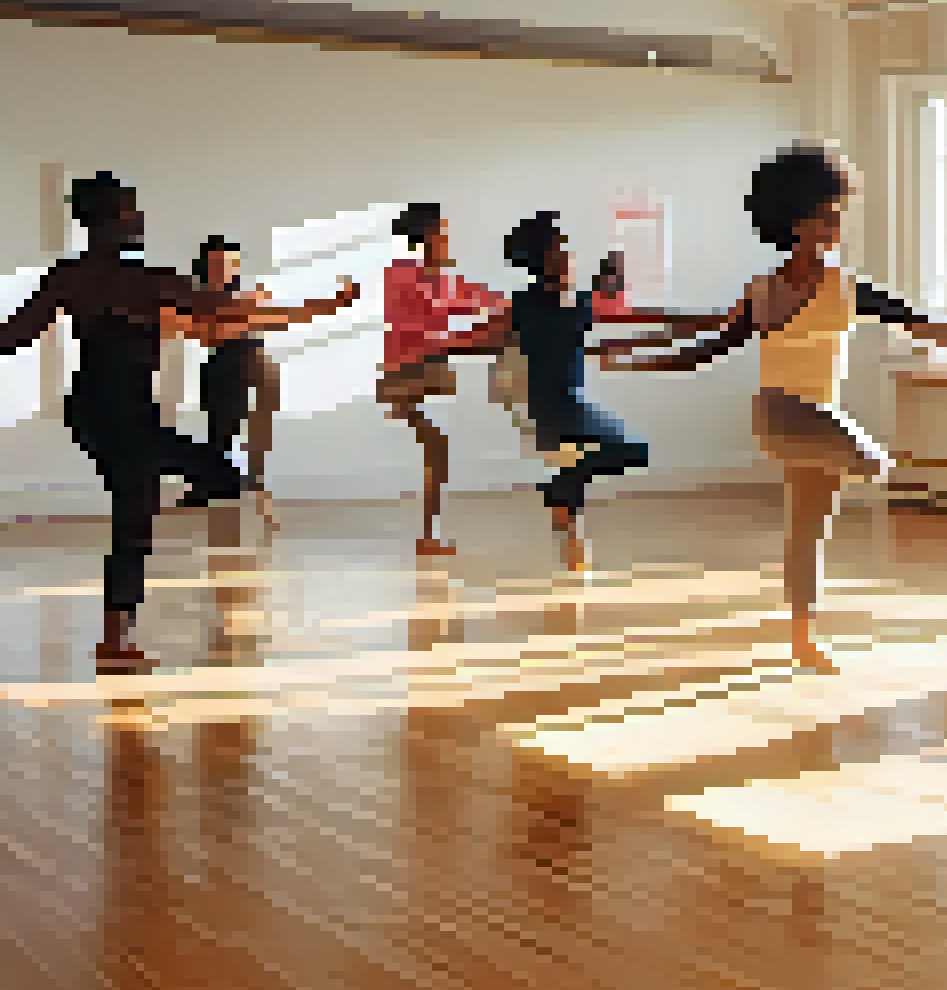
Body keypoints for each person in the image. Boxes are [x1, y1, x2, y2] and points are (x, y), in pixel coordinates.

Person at [601, 143, 947, 671]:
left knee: (808, 531)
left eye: (838, 217)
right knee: (878, 465)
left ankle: (803, 639)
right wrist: (634, 358)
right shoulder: (781, 290)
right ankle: (809, 627)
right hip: (790, 415)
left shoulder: (843, 289)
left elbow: (912, 320)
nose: (835, 228)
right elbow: (705, 349)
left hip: (801, 422)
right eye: (824, 218)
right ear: (793, 221)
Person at [0, 173, 356, 669]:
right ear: (103, 220)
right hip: (118, 418)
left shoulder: (79, 276)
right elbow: (232, 310)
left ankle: (116, 638)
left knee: (170, 494)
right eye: (128, 210)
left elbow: (11, 336)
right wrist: (323, 306)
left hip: (99, 414)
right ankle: (115, 640)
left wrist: (318, 308)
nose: (139, 218)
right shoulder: (145, 281)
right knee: (149, 503)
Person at [446, 212, 649, 572]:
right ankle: (561, 494)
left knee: (614, 453)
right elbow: (480, 338)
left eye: (566, 249)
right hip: (549, 407)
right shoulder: (523, 306)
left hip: (569, 403)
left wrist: (614, 269)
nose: (568, 256)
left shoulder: (574, 303)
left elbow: (601, 297)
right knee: (630, 450)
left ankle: (565, 507)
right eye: (560, 250)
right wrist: (437, 347)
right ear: (543, 262)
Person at [378, 203, 505, 557]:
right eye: (443, 233)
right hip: (408, 373)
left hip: (429, 368)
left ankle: (428, 534)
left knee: (437, 450)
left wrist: (509, 311)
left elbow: (484, 299)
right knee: (437, 448)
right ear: (428, 236)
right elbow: (430, 311)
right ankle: (428, 533)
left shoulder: (443, 279)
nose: (448, 241)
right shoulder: (401, 273)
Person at [191, 237, 280, 498]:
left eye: (229, 262)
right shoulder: (200, 296)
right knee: (220, 427)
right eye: (217, 263)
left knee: (249, 421)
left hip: (249, 359)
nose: (224, 268)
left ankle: (248, 478)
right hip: (220, 363)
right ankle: (217, 481)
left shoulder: (248, 294)